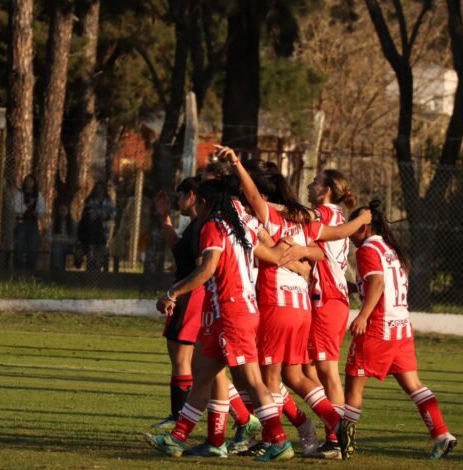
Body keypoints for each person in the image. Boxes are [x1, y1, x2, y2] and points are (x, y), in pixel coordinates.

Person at [216, 146, 369, 458]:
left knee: (266, 378)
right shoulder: (305, 219)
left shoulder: (269, 217)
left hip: (275, 305)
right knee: (290, 375)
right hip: (301, 308)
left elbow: (255, 199)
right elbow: (329, 239)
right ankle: (332, 423)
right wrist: (362, 219)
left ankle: (276, 440)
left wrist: (236, 165)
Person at [145, 179, 299, 462]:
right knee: (202, 373)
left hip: (232, 314)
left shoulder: (213, 227)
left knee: (252, 381)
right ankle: (177, 439)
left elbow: (207, 269)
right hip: (233, 313)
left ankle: (278, 441)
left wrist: (173, 292)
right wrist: (288, 245)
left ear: (204, 202)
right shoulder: (240, 228)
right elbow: (274, 255)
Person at [340, 200, 457, 461]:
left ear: (364, 227)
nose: (350, 231)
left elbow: (378, 283)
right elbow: (381, 283)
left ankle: (344, 446)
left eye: (354, 225)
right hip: (401, 325)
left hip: (379, 327)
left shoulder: (367, 250)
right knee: (414, 385)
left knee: (353, 386)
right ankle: (441, 435)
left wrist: (362, 315)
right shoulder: (389, 248)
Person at [304, 169, 357, 459]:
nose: (311, 185)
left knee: (325, 371)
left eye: (315, 182)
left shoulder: (323, 213)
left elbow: (298, 218)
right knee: (311, 369)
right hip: (332, 298)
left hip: (327, 299)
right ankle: (333, 431)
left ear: (325, 190)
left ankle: (337, 439)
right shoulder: (337, 216)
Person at [151, 177, 205, 431]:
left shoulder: (201, 227)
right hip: (185, 294)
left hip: (191, 296)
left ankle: (180, 418)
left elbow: (201, 268)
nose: (179, 202)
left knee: (185, 358)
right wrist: (164, 217)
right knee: (188, 360)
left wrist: (176, 293)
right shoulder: (194, 226)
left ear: (192, 195)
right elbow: (178, 247)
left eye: (181, 196)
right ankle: (178, 416)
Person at [12, 174, 45, 269]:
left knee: (32, 246)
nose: (29, 183)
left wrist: (37, 212)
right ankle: (18, 267)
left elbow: (42, 209)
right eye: (27, 181)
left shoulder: (38, 195)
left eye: (31, 181)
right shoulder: (20, 194)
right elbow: (17, 209)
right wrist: (28, 205)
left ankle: (30, 268)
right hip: (22, 221)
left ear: (34, 183)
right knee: (20, 245)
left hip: (33, 222)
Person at [83, 182, 116, 269]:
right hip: (92, 229)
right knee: (92, 248)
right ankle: (90, 268)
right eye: (97, 189)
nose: (99, 191)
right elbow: (85, 213)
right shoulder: (90, 200)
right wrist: (92, 215)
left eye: (101, 189)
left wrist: (106, 216)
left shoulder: (109, 202)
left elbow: (114, 214)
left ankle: (99, 268)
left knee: (102, 248)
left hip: (105, 229)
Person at [76, 206, 106, 271]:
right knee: (81, 252)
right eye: (91, 212)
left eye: (94, 213)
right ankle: (81, 265)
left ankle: (94, 270)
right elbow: (80, 236)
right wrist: (88, 245)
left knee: (94, 254)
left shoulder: (99, 223)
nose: (93, 214)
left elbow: (101, 238)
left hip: (97, 245)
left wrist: (93, 246)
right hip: (85, 244)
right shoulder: (83, 222)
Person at [49, 203, 76, 271]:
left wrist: (69, 241)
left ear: (67, 211)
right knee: (57, 248)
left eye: (64, 210)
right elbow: (49, 234)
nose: (62, 212)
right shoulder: (54, 222)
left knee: (59, 248)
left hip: (68, 244)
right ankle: (58, 270)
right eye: (61, 210)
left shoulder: (72, 222)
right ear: (58, 211)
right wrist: (52, 240)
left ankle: (58, 270)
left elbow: (75, 236)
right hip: (57, 243)